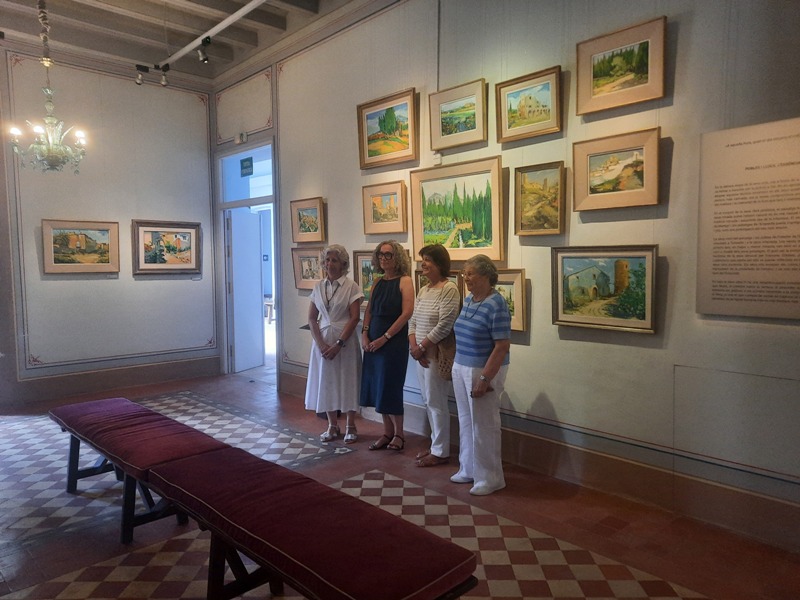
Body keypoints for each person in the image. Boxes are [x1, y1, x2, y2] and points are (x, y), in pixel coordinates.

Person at [450, 254, 511, 496]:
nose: (465, 278)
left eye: (470, 273)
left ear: (486, 275)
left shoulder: (496, 303)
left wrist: (485, 378)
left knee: (484, 424)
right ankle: (469, 469)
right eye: (465, 273)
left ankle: (490, 478)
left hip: (482, 370)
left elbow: (502, 346)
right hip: (461, 366)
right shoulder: (469, 299)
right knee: (466, 420)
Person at [304, 244, 363, 443]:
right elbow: (312, 318)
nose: (330, 264)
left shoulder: (351, 286)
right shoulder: (318, 287)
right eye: (327, 260)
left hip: (345, 341)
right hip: (322, 340)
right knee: (326, 381)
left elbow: (354, 318)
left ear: (343, 264)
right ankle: (332, 425)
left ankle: (351, 425)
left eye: (334, 260)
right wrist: (321, 344)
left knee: (348, 379)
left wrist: (339, 343)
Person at [408, 244, 460, 467]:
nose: (424, 264)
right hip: (420, 355)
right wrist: (414, 347)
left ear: (440, 263)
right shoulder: (424, 290)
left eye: (428, 259)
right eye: (423, 259)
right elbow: (413, 321)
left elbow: (444, 325)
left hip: (435, 356)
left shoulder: (450, 289)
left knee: (436, 402)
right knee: (428, 400)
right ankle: (435, 446)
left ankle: (440, 452)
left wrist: (421, 347)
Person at [360, 240, 414, 451]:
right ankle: (387, 432)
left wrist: (385, 337)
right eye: (380, 254)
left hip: (393, 343)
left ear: (397, 257)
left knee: (391, 386)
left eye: (388, 254)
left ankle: (399, 434)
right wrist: (365, 334)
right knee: (377, 386)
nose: (383, 258)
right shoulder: (377, 282)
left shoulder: (405, 281)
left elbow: (406, 313)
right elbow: (369, 311)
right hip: (373, 341)